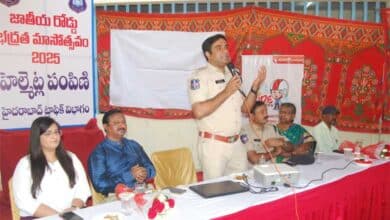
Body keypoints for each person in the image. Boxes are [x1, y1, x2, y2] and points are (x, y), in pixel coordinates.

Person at [188, 34, 266, 179]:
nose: (225, 51)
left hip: (236, 143)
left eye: (226, 47)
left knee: (241, 186)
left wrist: (255, 87)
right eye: (219, 48)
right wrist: (227, 91)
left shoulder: (232, 74)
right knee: (215, 190)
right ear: (208, 54)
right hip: (214, 145)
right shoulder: (199, 76)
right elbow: (198, 111)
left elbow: (245, 109)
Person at [12, 117, 91, 218]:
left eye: (56, 132)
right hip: (40, 217)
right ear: (37, 137)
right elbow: (24, 200)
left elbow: (82, 189)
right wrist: (58, 216)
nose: (54, 136)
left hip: (71, 214)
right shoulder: (25, 164)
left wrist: (73, 208)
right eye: (48, 133)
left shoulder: (71, 158)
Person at [88, 109, 156, 196]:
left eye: (123, 122)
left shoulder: (134, 145)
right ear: (105, 127)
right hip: (116, 197)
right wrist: (130, 175)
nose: (122, 125)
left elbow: (151, 168)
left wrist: (144, 173)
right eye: (116, 123)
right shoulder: (99, 153)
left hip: (141, 191)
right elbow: (99, 184)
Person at [240, 101, 286, 165]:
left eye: (266, 111)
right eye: (262, 112)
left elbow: (290, 148)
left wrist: (283, 143)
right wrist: (275, 152)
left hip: (276, 167)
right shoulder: (244, 131)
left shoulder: (272, 127)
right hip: (255, 171)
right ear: (252, 116)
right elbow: (253, 159)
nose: (266, 115)